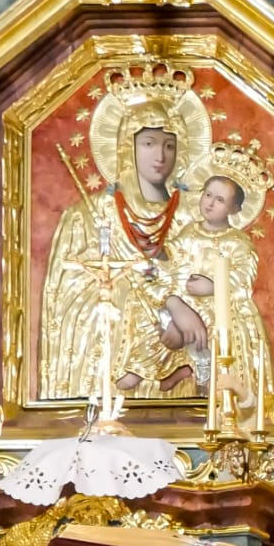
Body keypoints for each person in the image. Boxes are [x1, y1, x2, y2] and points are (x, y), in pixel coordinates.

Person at [39, 120, 187, 400]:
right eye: (149, 144)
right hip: (113, 350)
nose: (160, 156)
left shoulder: (191, 218)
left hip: (175, 354)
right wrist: (127, 293)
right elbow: (67, 294)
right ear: (125, 148)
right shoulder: (87, 214)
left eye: (169, 145)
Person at [162, 172, 274, 423]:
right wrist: (179, 291)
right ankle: (178, 374)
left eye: (219, 200)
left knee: (219, 334)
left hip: (225, 310)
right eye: (207, 195)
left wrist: (215, 286)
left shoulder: (239, 243)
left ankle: (224, 398)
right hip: (187, 304)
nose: (209, 203)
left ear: (235, 208)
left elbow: (243, 281)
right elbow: (171, 269)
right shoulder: (187, 235)